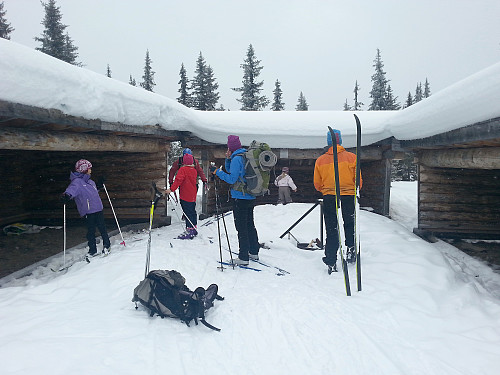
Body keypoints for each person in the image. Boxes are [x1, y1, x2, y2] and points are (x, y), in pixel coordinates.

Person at [314, 129, 362, 273]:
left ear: (328, 141)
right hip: (348, 195)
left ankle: (331, 258)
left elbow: (317, 184)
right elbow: (358, 181)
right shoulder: (352, 157)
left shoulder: (321, 160)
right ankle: (351, 249)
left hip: (330, 196)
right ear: (340, 140)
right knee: (349, 222)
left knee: (332, 227)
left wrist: (327, 189)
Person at [213, 135, 260, 266]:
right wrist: (228, 160)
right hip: (250, 195)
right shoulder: (244, 156)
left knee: (241, 227)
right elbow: (233, 171)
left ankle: (243, 257)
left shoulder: (237, 159)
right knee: (250, 224)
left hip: (240, 197)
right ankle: (254, 251)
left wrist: (218, 172)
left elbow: (232, 179)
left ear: (230, 147)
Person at [60, 159, 111, 261]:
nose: (90, 170)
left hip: (98, 209)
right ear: (83, 170)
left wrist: (100, 185)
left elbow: (94, 192)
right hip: (88, 212)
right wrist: (66, 196)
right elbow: (71, 190)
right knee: (91, 231)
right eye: (89, 168)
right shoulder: (77, 182)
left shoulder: (90, 182)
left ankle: (107, 245)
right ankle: (92, 250)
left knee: (102, 228)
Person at [165, 153, 199, 239]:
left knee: (187, 212)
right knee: (192, 211)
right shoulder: (194, 170)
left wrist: (171, 189)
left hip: (185, 194)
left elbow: (178, 181)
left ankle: (190, 229)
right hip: (192, 194)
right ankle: (194, 227)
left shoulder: (183, 170)